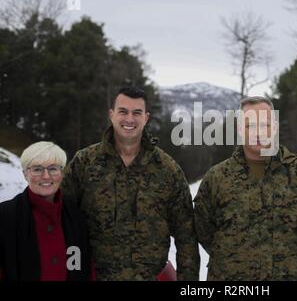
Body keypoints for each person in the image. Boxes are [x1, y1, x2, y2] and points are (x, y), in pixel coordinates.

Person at [61, 87, 199, 280]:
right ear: (111, 115)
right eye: (123, 111)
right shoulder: (84, 163)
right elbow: (62, 223)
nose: (129, 119)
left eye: (137, 113)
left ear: (146, 118)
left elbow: (186, 237)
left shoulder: (167, 170)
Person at [194, 96, 297, 280]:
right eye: (250, 125)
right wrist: (235, 260)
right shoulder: (217, 177)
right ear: (240, 129)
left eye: (264, 125)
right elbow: (204, 231)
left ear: (274, 127)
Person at [0, 142, 93, 281]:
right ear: (25, 174)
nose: (46, 176)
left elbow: (87, 269)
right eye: (37, 169)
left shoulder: (76, 216)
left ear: (62, 173)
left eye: (53, 168)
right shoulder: (5, 215)